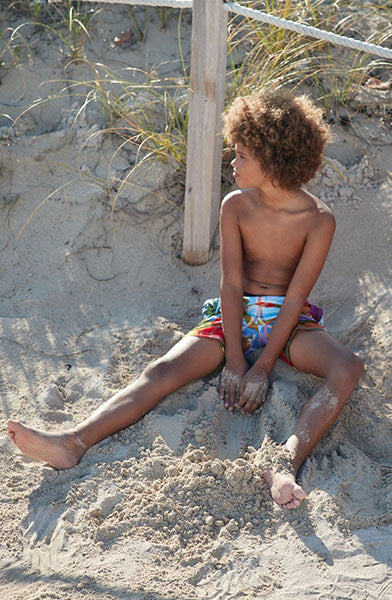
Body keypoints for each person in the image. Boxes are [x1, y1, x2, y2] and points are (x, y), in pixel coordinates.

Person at [7, 90, 364, 509]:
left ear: (274, 159)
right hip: (233, 317)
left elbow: (296, 296)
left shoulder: (319, 220)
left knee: (349, 368)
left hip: (288, 323)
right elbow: (230, 285)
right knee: (161, 371)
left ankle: (285, 462)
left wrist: (262, 366)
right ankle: (73, 441)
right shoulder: (235, 205)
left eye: (243, 154)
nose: (233, 162)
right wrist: (234, 359)